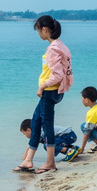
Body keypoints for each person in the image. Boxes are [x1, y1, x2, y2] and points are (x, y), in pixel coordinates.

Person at [14, 15, 74, 174]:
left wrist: (42, 87)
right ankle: (28, 161)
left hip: (50, 90)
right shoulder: (62, 46)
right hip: (56, 91)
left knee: (47, 127)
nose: (39, 34)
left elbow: (57, 75)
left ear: (45, 30)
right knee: (35, 122)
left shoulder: (53, 49)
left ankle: (50, 162)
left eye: (38, 30)